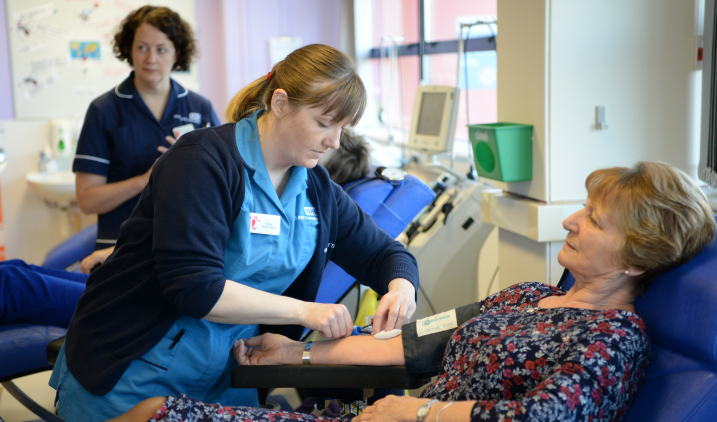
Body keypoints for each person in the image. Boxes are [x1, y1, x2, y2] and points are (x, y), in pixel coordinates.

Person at [113, 161, 716, 422]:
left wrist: (421, 411)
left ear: (638, 257)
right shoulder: (528, 295)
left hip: (404, 418)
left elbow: (547, 416)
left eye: (594, 219)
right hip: (374, 416)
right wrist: (295, 354)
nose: (570, 221)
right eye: (582, 207)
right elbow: (413, 345)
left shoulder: (614, 338)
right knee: (152, 411)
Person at [50, 43, 419, 422]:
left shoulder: (318, 191)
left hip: (229, 376)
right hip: (133, 367)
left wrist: (400, 289)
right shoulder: (202, 161)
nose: (335, 142)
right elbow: (195, 288)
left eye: (343, 128)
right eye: (324, 123)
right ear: (280, 103)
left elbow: (386, 255)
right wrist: (306, 312)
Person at [73, 5, 221, 251]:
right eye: (142, 47)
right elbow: (87, 201)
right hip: (120, 248)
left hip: (185, 245)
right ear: (129, 50)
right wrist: (145, 180)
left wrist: (193, 164)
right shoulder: (104, 110)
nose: (151, 59)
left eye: (161, 50)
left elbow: (222, 182)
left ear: (177, 54)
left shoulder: (200, 108)